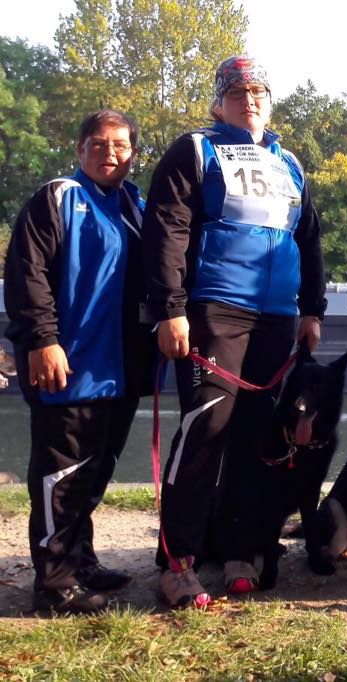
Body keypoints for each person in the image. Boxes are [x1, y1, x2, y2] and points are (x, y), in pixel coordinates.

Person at [141, 56, 326, 608]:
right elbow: (167, 225)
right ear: (219, 100)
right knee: (206, 427)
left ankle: (242, 548)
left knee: (257, 437)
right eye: (238, 90)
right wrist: (171, 307)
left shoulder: (288, 161)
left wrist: (311, 310)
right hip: (214, 308)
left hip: (276, 316)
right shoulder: (195, 149)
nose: (250, 99)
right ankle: (177, 561)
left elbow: (309, 238)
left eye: (260, 91)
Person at [4, 109, 156, 613]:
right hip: (68, 364)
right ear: (79, 148)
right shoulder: (57, 198)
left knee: (93, 473)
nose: (109, 154)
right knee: (60, 478)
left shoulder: (135, 204)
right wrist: (42, 341)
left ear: (134, 153)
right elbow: (27, 274)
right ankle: (54, 584)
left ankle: (82, 559)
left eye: (120, 145)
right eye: (98, 143)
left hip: (121, 368)